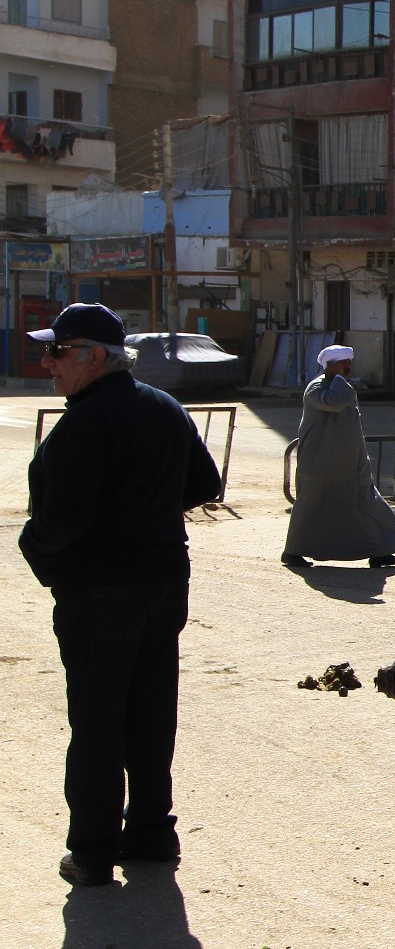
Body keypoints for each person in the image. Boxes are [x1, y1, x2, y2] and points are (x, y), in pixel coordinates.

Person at [18, 303, 223, 887]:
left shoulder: (83, 424)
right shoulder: (164, 408)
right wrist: (147, 513)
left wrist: (37, 553)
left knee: (98, 721)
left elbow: (61, 520)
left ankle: (92, 851)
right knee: (151, 714)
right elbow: (206, 484)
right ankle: (152, 835)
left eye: (56, 351)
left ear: (95, 356)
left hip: (100, 593)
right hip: (161, 583)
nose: (47, 363)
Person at [282, 344, 395, 569]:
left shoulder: (342, 386)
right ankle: (292, 551)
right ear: (328, 365)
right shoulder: (316, 388)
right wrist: (338, 378)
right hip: (320, 463)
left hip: (352, 462)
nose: (347, 366)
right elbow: (334, 402)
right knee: (310, 506)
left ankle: (381, 550)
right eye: (341, 362)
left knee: (370, 504)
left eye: (348, 361)